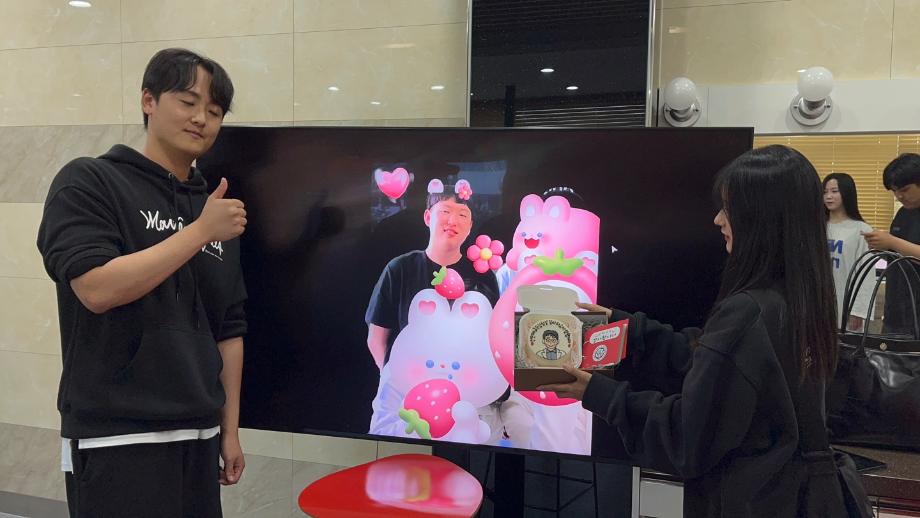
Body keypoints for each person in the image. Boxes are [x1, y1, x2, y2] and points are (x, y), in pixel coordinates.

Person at [540, 145, 871, 517]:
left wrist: (597, 392)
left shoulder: (748, 313)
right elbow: (710, 362)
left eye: (728, 209)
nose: (717, 220)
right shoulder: (798, 298)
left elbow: (687, 437)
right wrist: (628, 329)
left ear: (761, 218)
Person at [36, 48, 247, 518]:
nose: (201, 119)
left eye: (215, 111)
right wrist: (199, 232)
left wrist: (229, 430)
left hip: (199, 436)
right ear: (148, 100)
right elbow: (96, 290)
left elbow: (229, 329)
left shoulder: (213, 206)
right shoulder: (90, 181)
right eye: (188, 102)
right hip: (116, 437)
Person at [863, 153, 920, 334]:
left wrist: (892, 242)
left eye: (905, 189)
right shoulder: (903, 213)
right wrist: (881, 245)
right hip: (896, 311)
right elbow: (899, 250)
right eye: (894, 191)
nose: (899, 196)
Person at [823, 172, 874, 331]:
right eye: (825, 192)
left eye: (834, 191)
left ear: (847, 193)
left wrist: (858, 311)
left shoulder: (861, 230)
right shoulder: (816, 228)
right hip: (818, 305)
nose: (828, 196)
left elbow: (866, 273)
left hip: (846, 306)